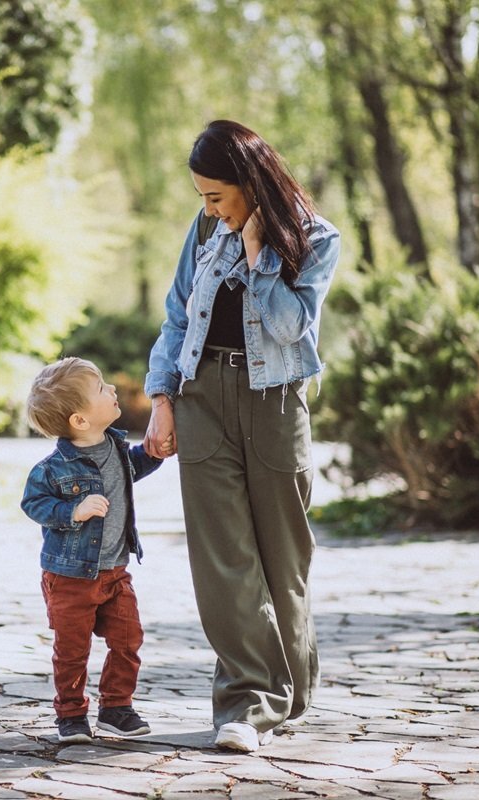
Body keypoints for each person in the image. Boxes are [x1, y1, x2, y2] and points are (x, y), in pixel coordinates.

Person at [142, 119, 341, 753]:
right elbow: (176, 317)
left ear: (251, 184)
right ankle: (246, 704)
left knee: (284, 555)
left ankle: (291, 688)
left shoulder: (315, 239)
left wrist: (258, 257)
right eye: (203, 197)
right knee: (222, 558)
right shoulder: (203, 230)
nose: (208, 209)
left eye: (217, 196)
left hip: (274, 404)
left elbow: (291, 329)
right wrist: (162, 399)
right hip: (202, 399)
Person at [21, 356, 165, 743]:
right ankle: (70, 714)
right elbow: (33, 504)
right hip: (70, 578)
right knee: (72, 651)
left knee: (128, 639)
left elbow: (133, 468)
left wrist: (154, 453)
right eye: (102, 388)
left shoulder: (116, 446)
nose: (113, 389)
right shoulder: (51, 469)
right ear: (79, 421)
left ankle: (116, 708)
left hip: (115, 572)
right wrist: (73, 510)